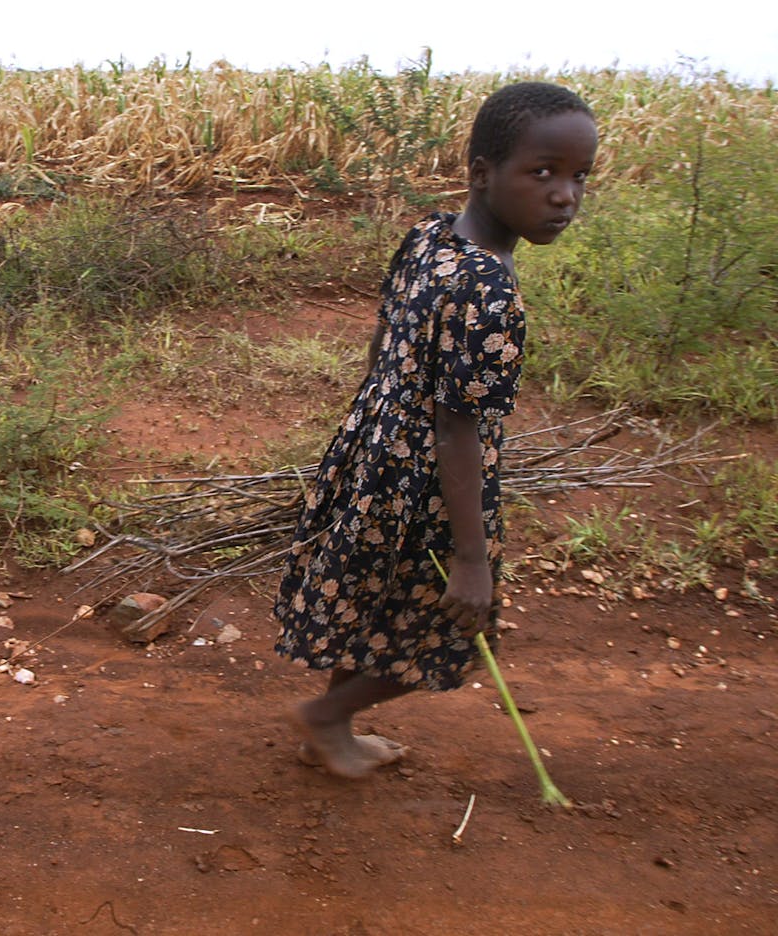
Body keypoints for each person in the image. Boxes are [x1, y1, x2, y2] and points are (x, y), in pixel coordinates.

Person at [273, 82, 599, 779]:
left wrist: (369, 434)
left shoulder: (430, 237)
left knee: (375, 606)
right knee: (447, 625)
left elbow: (383, 338)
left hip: (376, 450)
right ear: (482, 173)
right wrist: (473, 558)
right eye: (542, 172)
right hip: (430, 485)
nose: (564, 195)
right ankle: (325, 717)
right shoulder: (491, 292)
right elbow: (458, 425)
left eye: (579, 177)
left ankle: (334, 733)